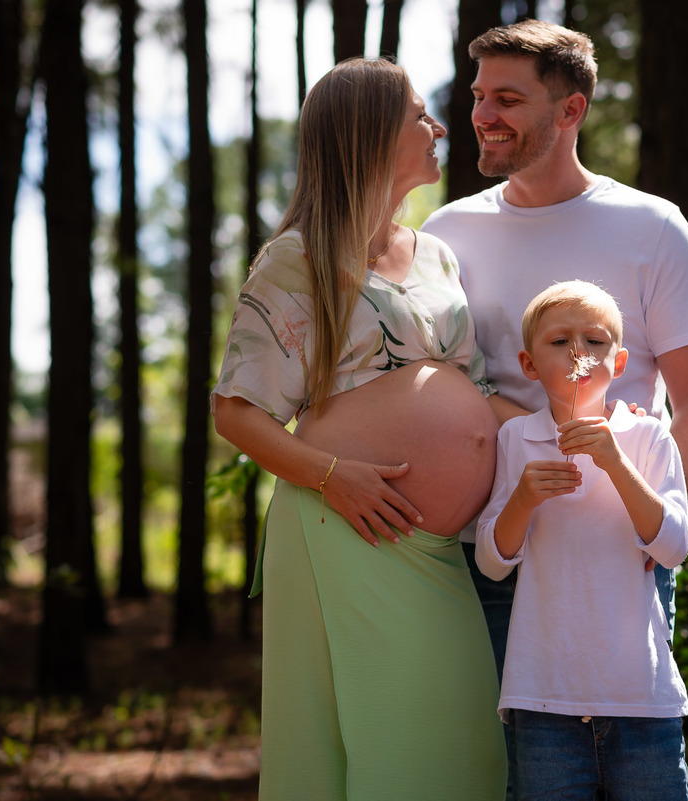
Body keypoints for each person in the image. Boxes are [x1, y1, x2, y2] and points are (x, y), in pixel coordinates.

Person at [211, 58, 507, 800]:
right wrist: (332, 476)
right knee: (384, 751)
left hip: (434, 542)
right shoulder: (297, 259)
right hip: (347, 521)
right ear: (370, 134)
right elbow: (236, 409)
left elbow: (464, 392)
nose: (439, 127)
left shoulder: (436, 254)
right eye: (418, 115)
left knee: (463, 750)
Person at [422, 17, 688, 681]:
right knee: (511, 773)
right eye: (479, 96)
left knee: (629, 760)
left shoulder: (653, 228)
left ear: (571, 110)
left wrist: (652, 516)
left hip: (615, 552)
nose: (482, 115)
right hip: (494, 550)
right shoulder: (446, 234)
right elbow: (434, 384)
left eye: (507, 99)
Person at [476, 280, 688, 800]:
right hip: (543, 698)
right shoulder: (516, 439)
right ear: (529, 365)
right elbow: (491, 562)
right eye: (560, 342)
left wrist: (615, 462)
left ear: (619, 363)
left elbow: (672, 547)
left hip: (640, 697)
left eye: (595, 342)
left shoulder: (648, 438)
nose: (579, 353)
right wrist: (523, 500)